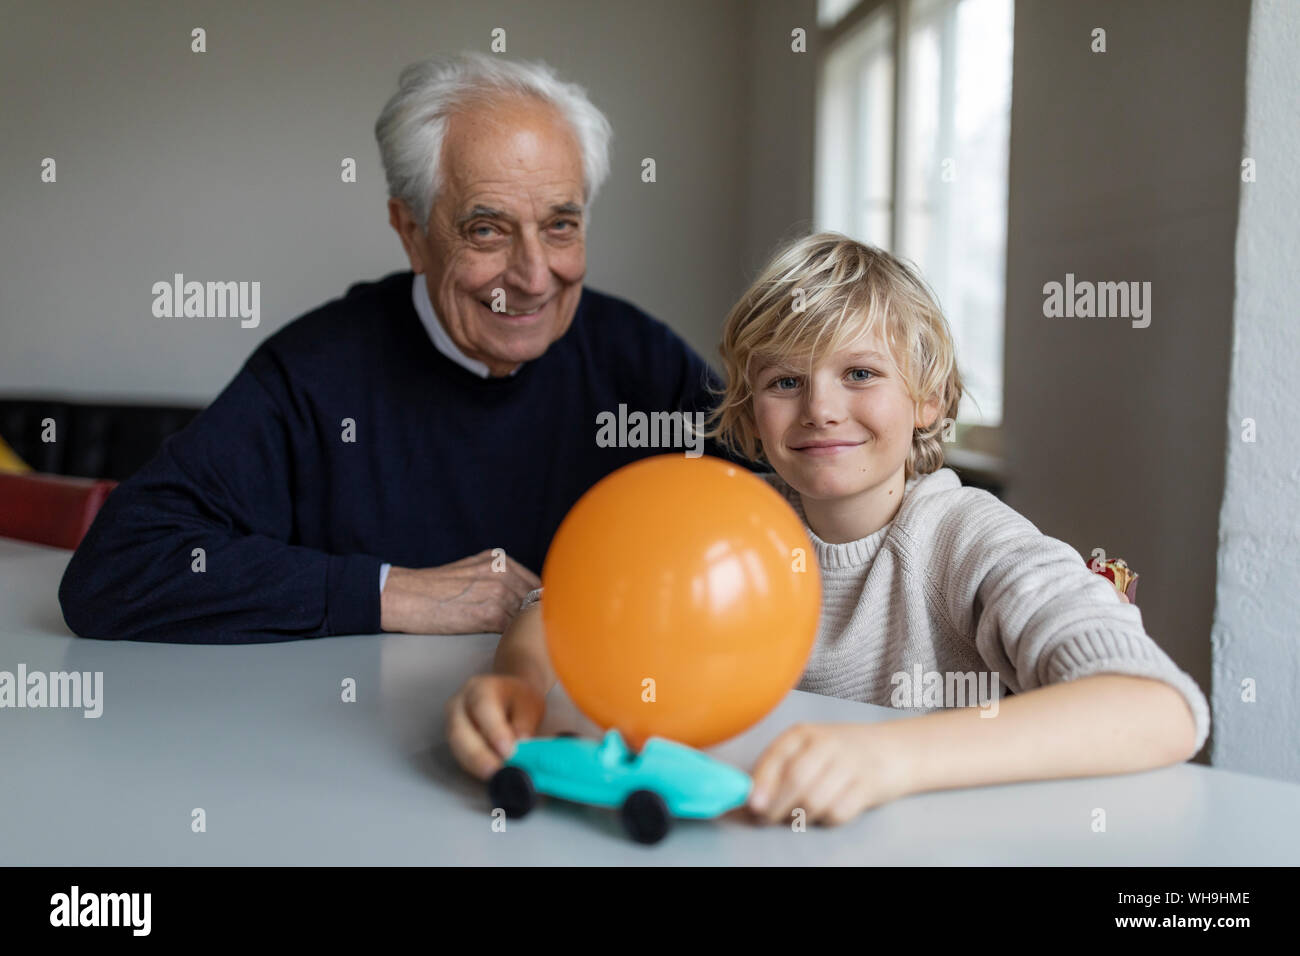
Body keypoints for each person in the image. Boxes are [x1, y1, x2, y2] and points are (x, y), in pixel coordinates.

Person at [445, 232, 1209, 826]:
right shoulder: (729, 519)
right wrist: (518, 678)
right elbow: (561, 607)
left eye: (861, 373)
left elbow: (1157, 706)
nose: (821, 409)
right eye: (785, 382)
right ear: (749, 416)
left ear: (931, 399)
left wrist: (887, 760)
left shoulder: (961, 537)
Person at [58, 52, 727, 644]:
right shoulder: (314, 373)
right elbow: (117, 568)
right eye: (487, 230)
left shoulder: (641, 361)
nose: (531, 278)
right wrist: (391, 592)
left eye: (560, 226)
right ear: (411, 232)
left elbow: (773, 514)